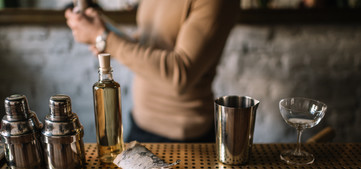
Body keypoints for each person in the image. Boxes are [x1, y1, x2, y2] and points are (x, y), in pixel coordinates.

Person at [65, 0, 239, 143]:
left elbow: (180, 75)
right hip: (138, 124)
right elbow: (150, 41)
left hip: (184, 137)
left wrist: (104, 38)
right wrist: (103, 33)